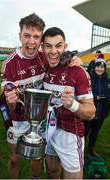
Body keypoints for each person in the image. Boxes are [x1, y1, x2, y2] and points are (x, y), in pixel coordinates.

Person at [41, 27, 96, 179]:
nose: (53, 51)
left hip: (70, 134)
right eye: (48, 46)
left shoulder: (77, 71)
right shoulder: (42, 67)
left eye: (58, 46)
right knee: (52, 173)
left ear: (65, 46)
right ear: (42, 47)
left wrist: (72, 104)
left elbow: (91, 112)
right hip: (48, 129)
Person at [0, 13, 47, 179]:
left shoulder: (45, 57)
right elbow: (4, 102)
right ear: (20, 37)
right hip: (17, 120)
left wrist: (74, 59)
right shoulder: (10, 63)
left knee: (37, 156)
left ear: (41, 39)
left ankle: (35, 178)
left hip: (39, 118)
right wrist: (10, 101)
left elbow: (63, 59)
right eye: (27, 35)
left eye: (36, 37)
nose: (31, 42)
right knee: (14, 158)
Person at [84, 59, 110, 156]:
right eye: (98, 67)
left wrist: (105, 97)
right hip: (89, 111)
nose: (100, 69)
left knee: (95, 132)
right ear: (94, 67)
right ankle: (81, 149)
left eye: (102, 67)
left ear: (104, 68)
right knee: (85, 131)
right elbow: (84, 93)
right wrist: (95, 97)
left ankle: (91, 148)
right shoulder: (89, 79)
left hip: (101, 111)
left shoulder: (107, 81)